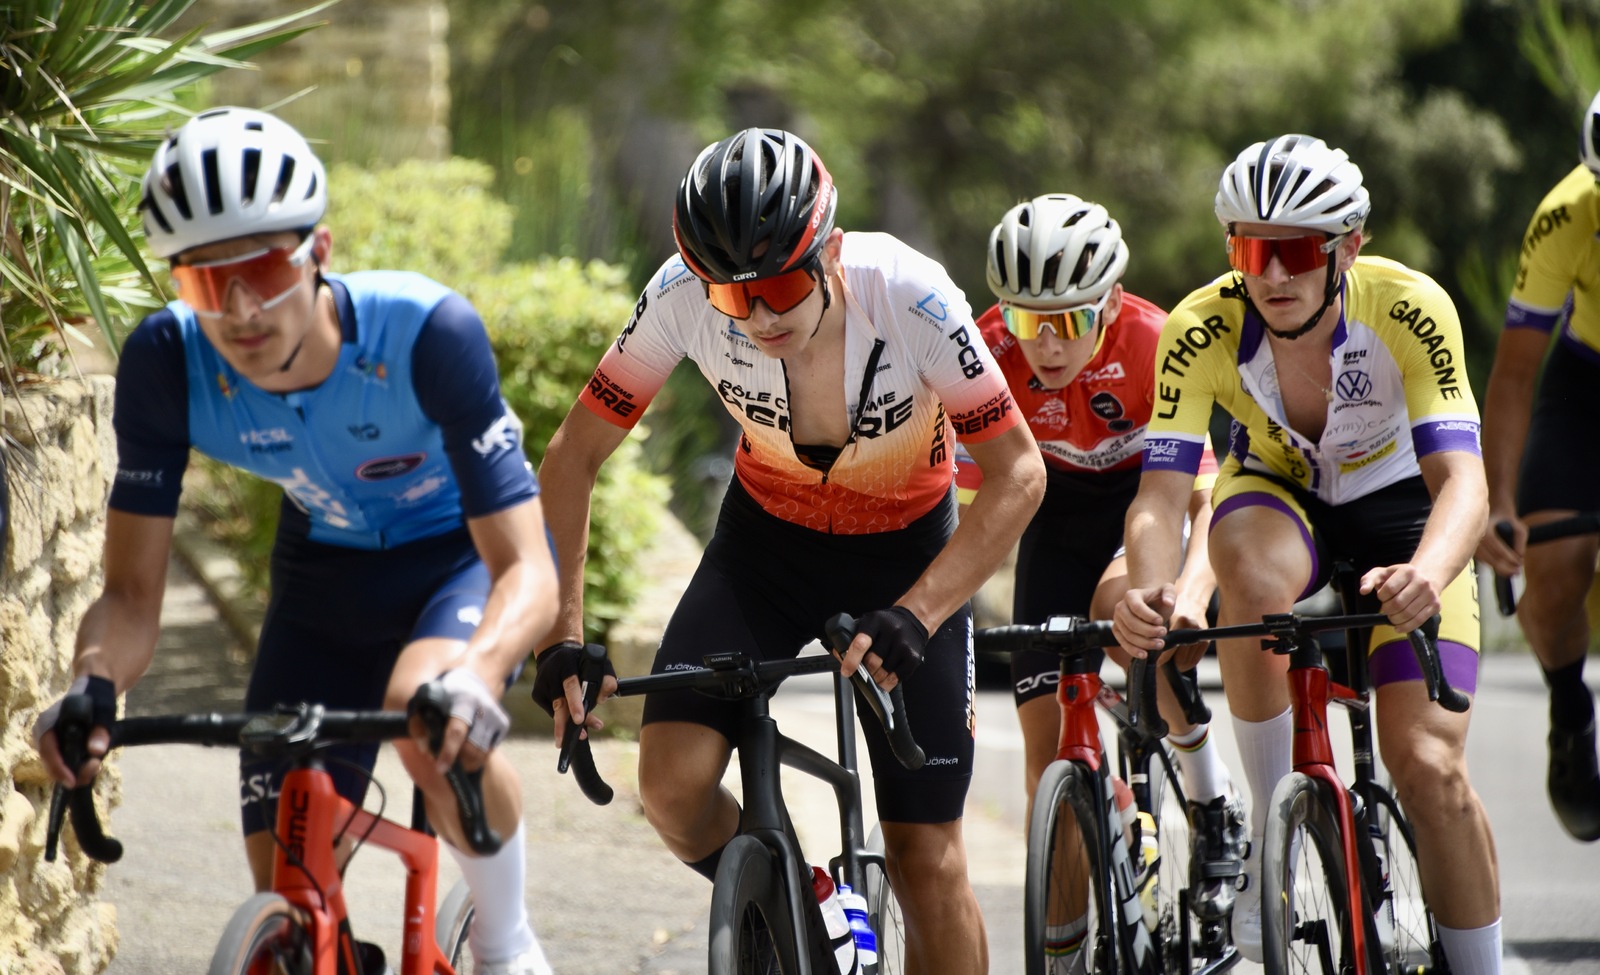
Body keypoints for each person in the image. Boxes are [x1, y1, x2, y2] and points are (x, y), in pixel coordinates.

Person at [29, 108, 559, 975]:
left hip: (453, 560)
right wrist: (92, 685)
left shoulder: (427, 334)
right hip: (324, 579)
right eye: (206, 281)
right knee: (288, 878)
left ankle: (506, 943)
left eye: (266, 270)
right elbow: (130, 596)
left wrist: (480, 670)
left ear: (319, 251)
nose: (241, 310)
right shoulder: (167, 363)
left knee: (428, 713)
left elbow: (528, 567)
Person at [531, 127, 1045, 975]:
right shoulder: (680, 295)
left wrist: (920, 612)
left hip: (904, 559)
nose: (759, 317)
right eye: (733, 298)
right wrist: (561, 635)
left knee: (926, 857)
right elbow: (571, 456)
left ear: (830, 252)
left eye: (776, 287)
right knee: (670, 789)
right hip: (764, 550)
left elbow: (1019, 473)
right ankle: (813, 909)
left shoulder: (912, 295)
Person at [1112, 134, 1502, 973]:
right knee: (1248, 570)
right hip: (1281, 498)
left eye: (1295, 250)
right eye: (1254, 252)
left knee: (1430, 767)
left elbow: (1464, 483)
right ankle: (1272, 834)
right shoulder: (1200, 327)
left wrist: (1429, 574)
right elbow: (1161, 495)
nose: (1274, 274)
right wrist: (1151, 591)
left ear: (1347, 247)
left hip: (1404, 510)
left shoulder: (1410, 306)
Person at [958, 194, 1245, 958]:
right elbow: (959, 512)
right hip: (1052, 523)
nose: (1047, 343)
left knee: (1126, 616)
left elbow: (1206, 497)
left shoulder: (1153, 340)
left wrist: (1192, 592)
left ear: (1112, 302)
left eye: (1070, 319)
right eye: (1028, 320)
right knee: (1045, 768)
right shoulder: (985, 351)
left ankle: (1212, 800)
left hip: (1146, 504)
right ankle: (1065, 947)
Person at [1474, 88, 1600, 844]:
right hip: (1587, 382)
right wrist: (1500, 503)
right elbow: (1516, 372)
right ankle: (1569, 706)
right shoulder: (1565, 216)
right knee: (1554, 565)